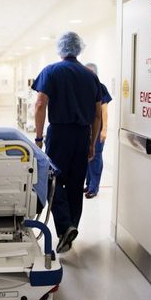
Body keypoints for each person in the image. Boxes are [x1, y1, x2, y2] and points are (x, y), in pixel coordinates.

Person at [31, 32, 102, 253]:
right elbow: (98, 114)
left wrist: (39, 138)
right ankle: (70, 232)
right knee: (75, 183)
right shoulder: (90, 76)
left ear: (60, 48)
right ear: (79, 48)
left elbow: (40, 105)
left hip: (59, 133)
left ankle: (64, 227)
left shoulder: (52, 71)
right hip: (82, 135)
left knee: (51, 179)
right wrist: (91, 143)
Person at [84, 63, 112, 199]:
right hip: (85, 129)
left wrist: (104, 130)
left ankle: (93, 188)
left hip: (97, 129)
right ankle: (89, 184)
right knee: (87, 157)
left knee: (95, 158)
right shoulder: (82, 87)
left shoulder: (101, 88)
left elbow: (104, 111)